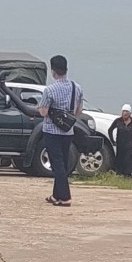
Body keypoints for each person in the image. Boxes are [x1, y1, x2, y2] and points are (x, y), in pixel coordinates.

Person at [37, 55, 84, 207]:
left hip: (51, 131)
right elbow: (78, 111)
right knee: (63, 162)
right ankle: (56, 195)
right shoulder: (76, 88)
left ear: (53, 71)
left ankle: (65, 197)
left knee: (57, 165)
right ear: (66, 69)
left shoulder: (49, 90)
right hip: (68, 131)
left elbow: (43, 112)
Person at [110, 104, 132, 177]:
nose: (124, 113)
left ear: (130, 113)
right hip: (120, 144)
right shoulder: (118, 121)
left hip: (130, 144)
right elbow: (110, 130)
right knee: (119, 158)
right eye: (123, 112)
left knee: (128, 159)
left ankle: (128, 174)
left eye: (126, 112)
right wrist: (112, 141)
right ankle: (119, 173)